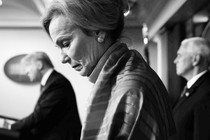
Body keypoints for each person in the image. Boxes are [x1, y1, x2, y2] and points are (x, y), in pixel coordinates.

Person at [42, 0, 175, 139]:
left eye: (66, 43)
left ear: (99, 32)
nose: (63, 59)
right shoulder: (125, 73)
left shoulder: (130, 90)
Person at [10, 52, 81, 140]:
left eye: (27, 66)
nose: (26, 71)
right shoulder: (51, 82)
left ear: (39, 65)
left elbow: (39, 116)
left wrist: (11, 126)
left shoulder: (57, 83)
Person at [171, 37, 210, 140]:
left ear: (195, 59)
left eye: (179, 56)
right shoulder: (191, 89)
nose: (175, 61)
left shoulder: (206, 94)